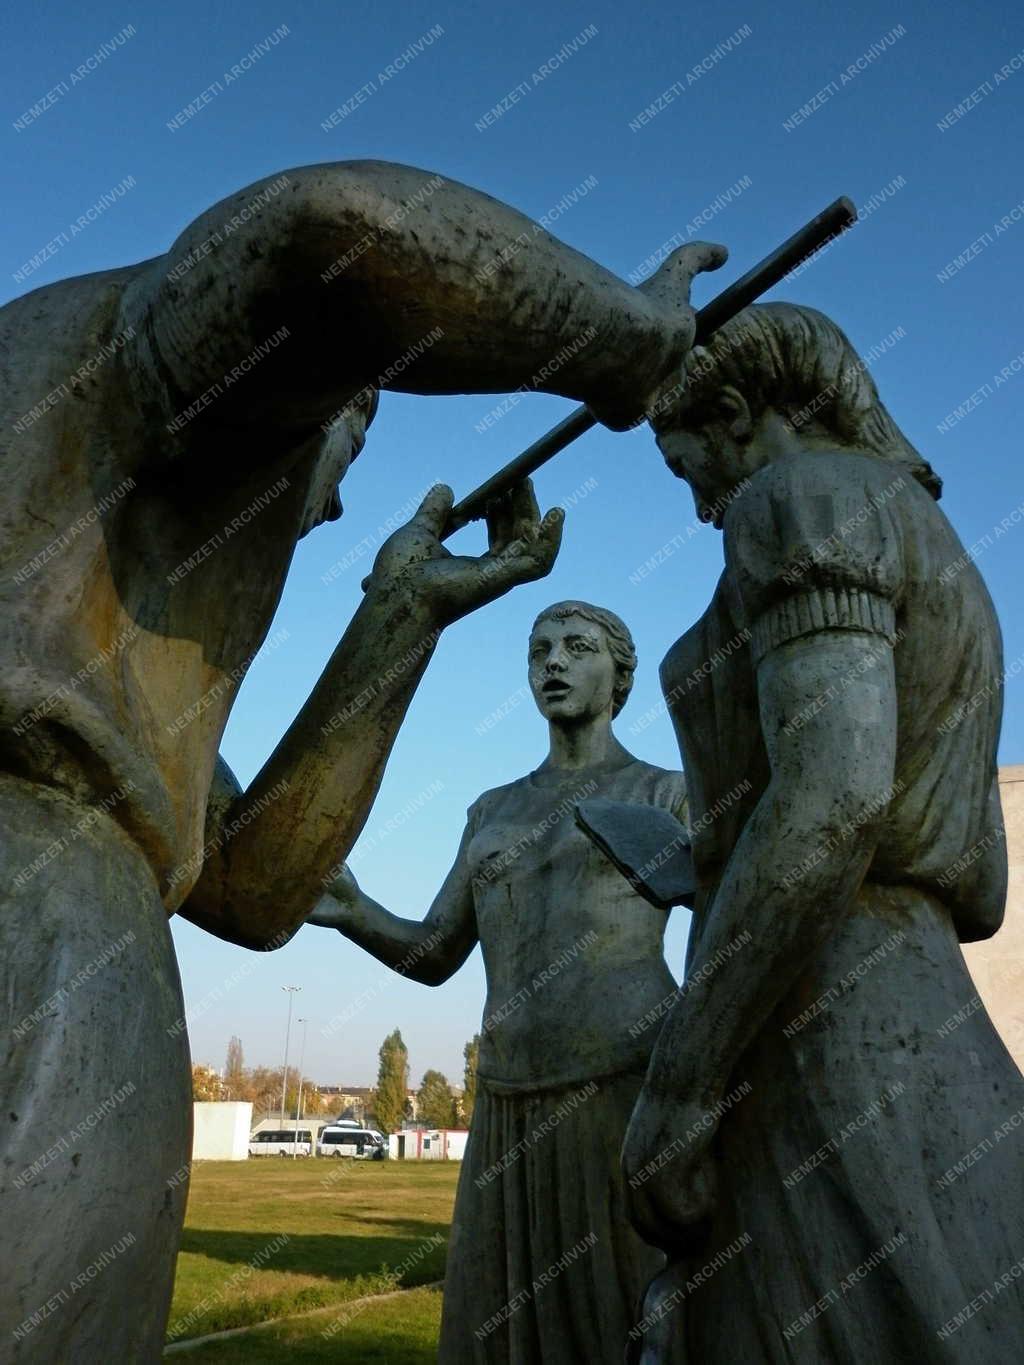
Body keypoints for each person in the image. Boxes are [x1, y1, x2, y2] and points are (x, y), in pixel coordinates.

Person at [0, 158, 725, 1360]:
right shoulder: (113, 369)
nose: (328, 508)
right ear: (307, 397)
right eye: (342, 449)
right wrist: (624, 340)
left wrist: (404, 617)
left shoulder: (83, 624)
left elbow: (249, 891)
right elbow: (336, 232)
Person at [620, 302, 1024, 1361]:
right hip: (927, 1011)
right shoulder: (941, 549)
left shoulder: (801, 499)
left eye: (689, 467)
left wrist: (681, 1079)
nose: (703, 506)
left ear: (742, 415)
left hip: (812, 1019)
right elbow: (980, 888)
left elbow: (833, 795)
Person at [310, 600, 689, 1363]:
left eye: (577, 647)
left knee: (627, 1322)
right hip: (507, 1102)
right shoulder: (493, 808)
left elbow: (730, 934)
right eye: (538, 649)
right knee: (496, 1332)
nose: (553, 661)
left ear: (620, 673)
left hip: (622, 1090)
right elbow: (435, 952)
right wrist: (354, 911)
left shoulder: (668, 793)